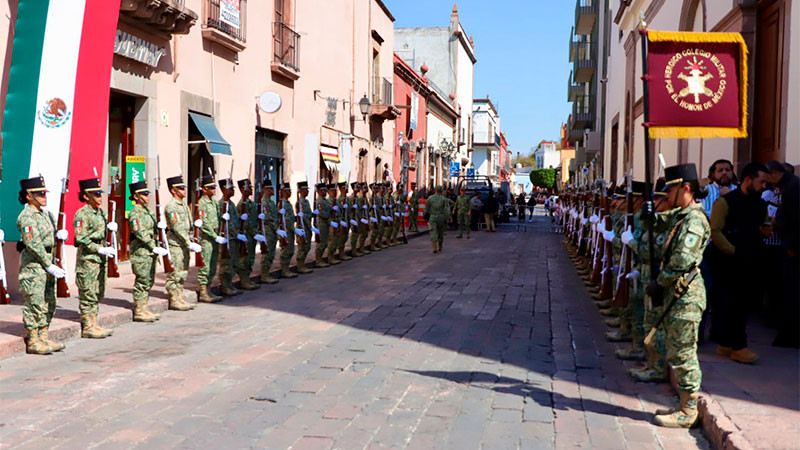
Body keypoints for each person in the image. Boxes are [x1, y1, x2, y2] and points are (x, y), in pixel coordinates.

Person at [645, 163, 710, 429]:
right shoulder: (682, 215)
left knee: (684, 353)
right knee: (677, 350)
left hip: (685, 296)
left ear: (685, 189)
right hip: (677, 293)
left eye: (670, 190)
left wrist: (659, 282)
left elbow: (683, 259)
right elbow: (660, 222)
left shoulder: (694, 220)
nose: (667, 196)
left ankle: (689, 410)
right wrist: (648, 213)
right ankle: (683, 402)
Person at [708, 163, 769, 363]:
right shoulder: (725, 202)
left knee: (743, 303)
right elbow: (715, 231)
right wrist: (733, 251)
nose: (763, 186)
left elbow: (763, 225)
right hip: (728, 261)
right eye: (761, 182)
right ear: (748, 179)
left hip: (751, 259)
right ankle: (738, 346)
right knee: (733, 303)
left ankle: (726, 344)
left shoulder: (760, 203)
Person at [17, 176, 67, 354]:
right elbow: (33, 243)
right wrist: (47, 263)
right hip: (35, 265)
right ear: (29, 196)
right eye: (40, 193)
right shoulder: (26, 216)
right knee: (35, 303)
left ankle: (43, 336)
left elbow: (50, 238)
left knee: (49, 302)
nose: (44, 196)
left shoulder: (47, 215)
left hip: (48, 263)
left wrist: (59, 235)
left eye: (44, 193)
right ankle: (33, 340)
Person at [73, 177, 116, 339]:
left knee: (98, 292)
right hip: (89, 259)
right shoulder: (82, 214)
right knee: (88, 293)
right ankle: (88, 326)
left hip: (100, 258)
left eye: (100, 193)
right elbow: (80, 238)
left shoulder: (101, 212)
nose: (100, 196)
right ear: (86, 196)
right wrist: (99, 248)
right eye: (96, 194)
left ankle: (95, 322)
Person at [766, 160, 799, 348]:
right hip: (789, 244)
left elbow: (794, 220)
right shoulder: (790, 186)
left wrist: (793, 245)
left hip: (792, 246)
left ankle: (790, 335)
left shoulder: (791, 189)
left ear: (775, 174)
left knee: (790, 292)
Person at [126, 180, 166, 322]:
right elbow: (140, 233)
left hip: (150, 252)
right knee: (142, 281)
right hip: (141, 252)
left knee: (149, 281)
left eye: (148, 193)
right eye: (144, 194)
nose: (148, 196)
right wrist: (152, 245)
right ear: (136, 196)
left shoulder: (147, 211)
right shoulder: (135, 213)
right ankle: (139, 310)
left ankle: (144, 307)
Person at [164, 175, 199, 311]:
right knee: (175, 273)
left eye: (184, 187)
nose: (184, 190)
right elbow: (177, 226)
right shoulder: (171, 207)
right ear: (173, 190)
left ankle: (179, 297)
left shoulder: (184, 205)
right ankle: (174, 299)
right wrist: (188, 242)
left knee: (183, 272)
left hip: (184, 244)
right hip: (176, 245)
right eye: (181, 188)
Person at [196, 174, 224, 303]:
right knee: (205, 266)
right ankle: (203, 292)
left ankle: (209, 289)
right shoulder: (201, 203)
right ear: (204, 189)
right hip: (207, 239)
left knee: (213, 265)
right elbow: (203, 223)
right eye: (211, 187)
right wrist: (214, 236)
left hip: (215, 237)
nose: (214, 189)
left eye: (214, 187)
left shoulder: (214, 202)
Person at [217, 178, 247, 295]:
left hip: (234, 239)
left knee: (233, 263)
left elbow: (234, 222)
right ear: (224, 189)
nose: (233, 191)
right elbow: (224, 225)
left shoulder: (231, 204)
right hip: (227, 239)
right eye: (230, 189)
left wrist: (240, 221)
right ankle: (225, 286)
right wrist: (236, 234)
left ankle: (229, 285)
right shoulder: (221, 204)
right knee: (226, 264)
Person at [236, 179, 263, 289]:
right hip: (246, 235)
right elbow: (244, 223)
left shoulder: (250, 203)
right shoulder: (241, 204)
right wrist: (253, 233)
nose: (251, 189)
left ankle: (247, 278)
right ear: (243, 190)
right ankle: (244, 280)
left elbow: (253, 219)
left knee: (250, 258)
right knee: (244, 259)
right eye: (249, 188)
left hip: (252, 235)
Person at [258, 179, 280, 284]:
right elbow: (267, 218)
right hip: (268, 231)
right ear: (265, 190)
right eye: (270, 188)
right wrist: (276, 228)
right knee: (267, 253)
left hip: (273, 231)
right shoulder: (264, 202)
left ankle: (267, 273)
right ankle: (264, 275)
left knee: (271, 253)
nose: (273, 190)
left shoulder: (272, 202)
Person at [277, 182, 297, 278]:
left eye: (290, 191)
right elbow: (287, 219)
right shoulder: (282, 204)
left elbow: (291, 218)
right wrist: (294, 229)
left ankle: (287, 268)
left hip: (290, 230)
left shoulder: (288, 203)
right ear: (283, 192)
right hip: (286, 230)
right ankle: (284, 270)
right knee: (286, 251)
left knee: (290, 250)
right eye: (288, 191)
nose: (290, 192)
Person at [424, 185, 451, 253]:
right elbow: (446, 210)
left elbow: (426, 210)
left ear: (435, 190)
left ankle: (434, 246)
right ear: (441, 191)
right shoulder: (444, 199)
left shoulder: (430, 198)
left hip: (432, 217)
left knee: (433, 232)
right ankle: (440, 245)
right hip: (441, 217)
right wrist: (448, 217)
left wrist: (426, 218)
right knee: (440, 232)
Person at [295, 181, 313, 273]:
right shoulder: (300, 202)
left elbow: (308, 214)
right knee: (302, 248)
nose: (307, 191)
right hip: (303, 228)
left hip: (307, 227)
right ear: (301, 191)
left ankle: (303, 264)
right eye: (305, 189)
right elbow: (303, 216)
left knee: (307, 247)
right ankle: (300, 266)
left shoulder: (306, 202)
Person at [314, 183, 331, 267]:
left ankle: (320, 259)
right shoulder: (319, 201)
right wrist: (328, 216)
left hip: (326, 223)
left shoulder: (325, 200)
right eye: (323, 190)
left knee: (325, 243)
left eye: (325, 190)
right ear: (319, 191)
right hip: (321, 224)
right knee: (321, 243)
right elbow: (321, 213)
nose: (325, 192)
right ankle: (318, 260)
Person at [337, 182, 353, 259]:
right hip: (342, 222)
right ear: (340, 189)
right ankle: (340, 253)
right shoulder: (339, 200)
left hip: (347, 220)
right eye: (344, 188)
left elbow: (350, 210)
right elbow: (338, 213)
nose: (346, 189)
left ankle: (342, 253)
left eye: (346, 187)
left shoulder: (347, 199)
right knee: (341, 238)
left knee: (345, 237)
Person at [349, 182, 363, 256]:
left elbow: (359, 209)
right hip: (353, 218)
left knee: (356, 234)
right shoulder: (351, 198)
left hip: (357, 218)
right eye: (356, 187)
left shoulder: (357, 198)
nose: (358, 189)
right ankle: (353, 250)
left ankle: (355, 249)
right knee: (354, 235)